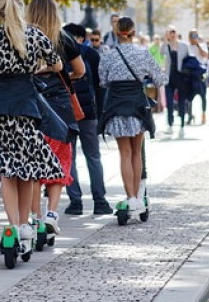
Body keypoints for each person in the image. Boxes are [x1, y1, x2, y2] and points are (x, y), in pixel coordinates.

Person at [0, 0, 65, 246]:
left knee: (6, 168)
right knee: (27, 168)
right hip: (26, 104)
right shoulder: (34, 35)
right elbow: (57, 65)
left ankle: (12, 225)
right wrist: (33, 68)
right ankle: (25, 225)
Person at [26, 0, 84, 235]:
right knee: (60, 160)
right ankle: (51, 213)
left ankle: (35, 216)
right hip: (60, 104)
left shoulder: (24, 37)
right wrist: (60, 77)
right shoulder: (65, 38)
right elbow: (80, 71)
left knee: (32, 163)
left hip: (33, 102)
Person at [98, 17, 167, 210]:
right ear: (134, 33)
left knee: (124, 153)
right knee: (137, 152)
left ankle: (129, 197)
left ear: (117, 33)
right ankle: (137, 197)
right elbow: (161, 79)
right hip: (137, 106)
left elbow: (102, 81)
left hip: (117, 106)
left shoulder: (108, 56)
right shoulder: (142, 54)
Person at [62, 23, 111, 216]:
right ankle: (100, 201)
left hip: (66, 113)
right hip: (88, 112)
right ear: (83, 38)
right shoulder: (91, 55)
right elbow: (100, 88)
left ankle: (75, 202)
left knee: (70, 158)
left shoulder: (60, 53)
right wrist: (99, 114)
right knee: (93, 156)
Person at [161, 27, 190, 137]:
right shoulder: (166, 46)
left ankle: (182, 126)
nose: (172, 34)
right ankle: (170, 124)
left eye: (174, 32)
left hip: (181, 77)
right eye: (170, 32)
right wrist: (165, 39)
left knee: (182, 102)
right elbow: (161, 52)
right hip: (169, 77)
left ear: (177, 33)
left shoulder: (184, 45)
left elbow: (189, 58)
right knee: (169, 102)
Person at [187, 30, 209, 125]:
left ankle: (203, 115)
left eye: (196, 35)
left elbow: (205, 55)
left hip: (200, 75)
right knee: (189, 98)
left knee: (203, 96)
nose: (194, 37)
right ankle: (190, 116)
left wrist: (197, 45)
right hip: (191, 75)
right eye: (192, 35)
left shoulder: (202, 46)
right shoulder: (187, 47)